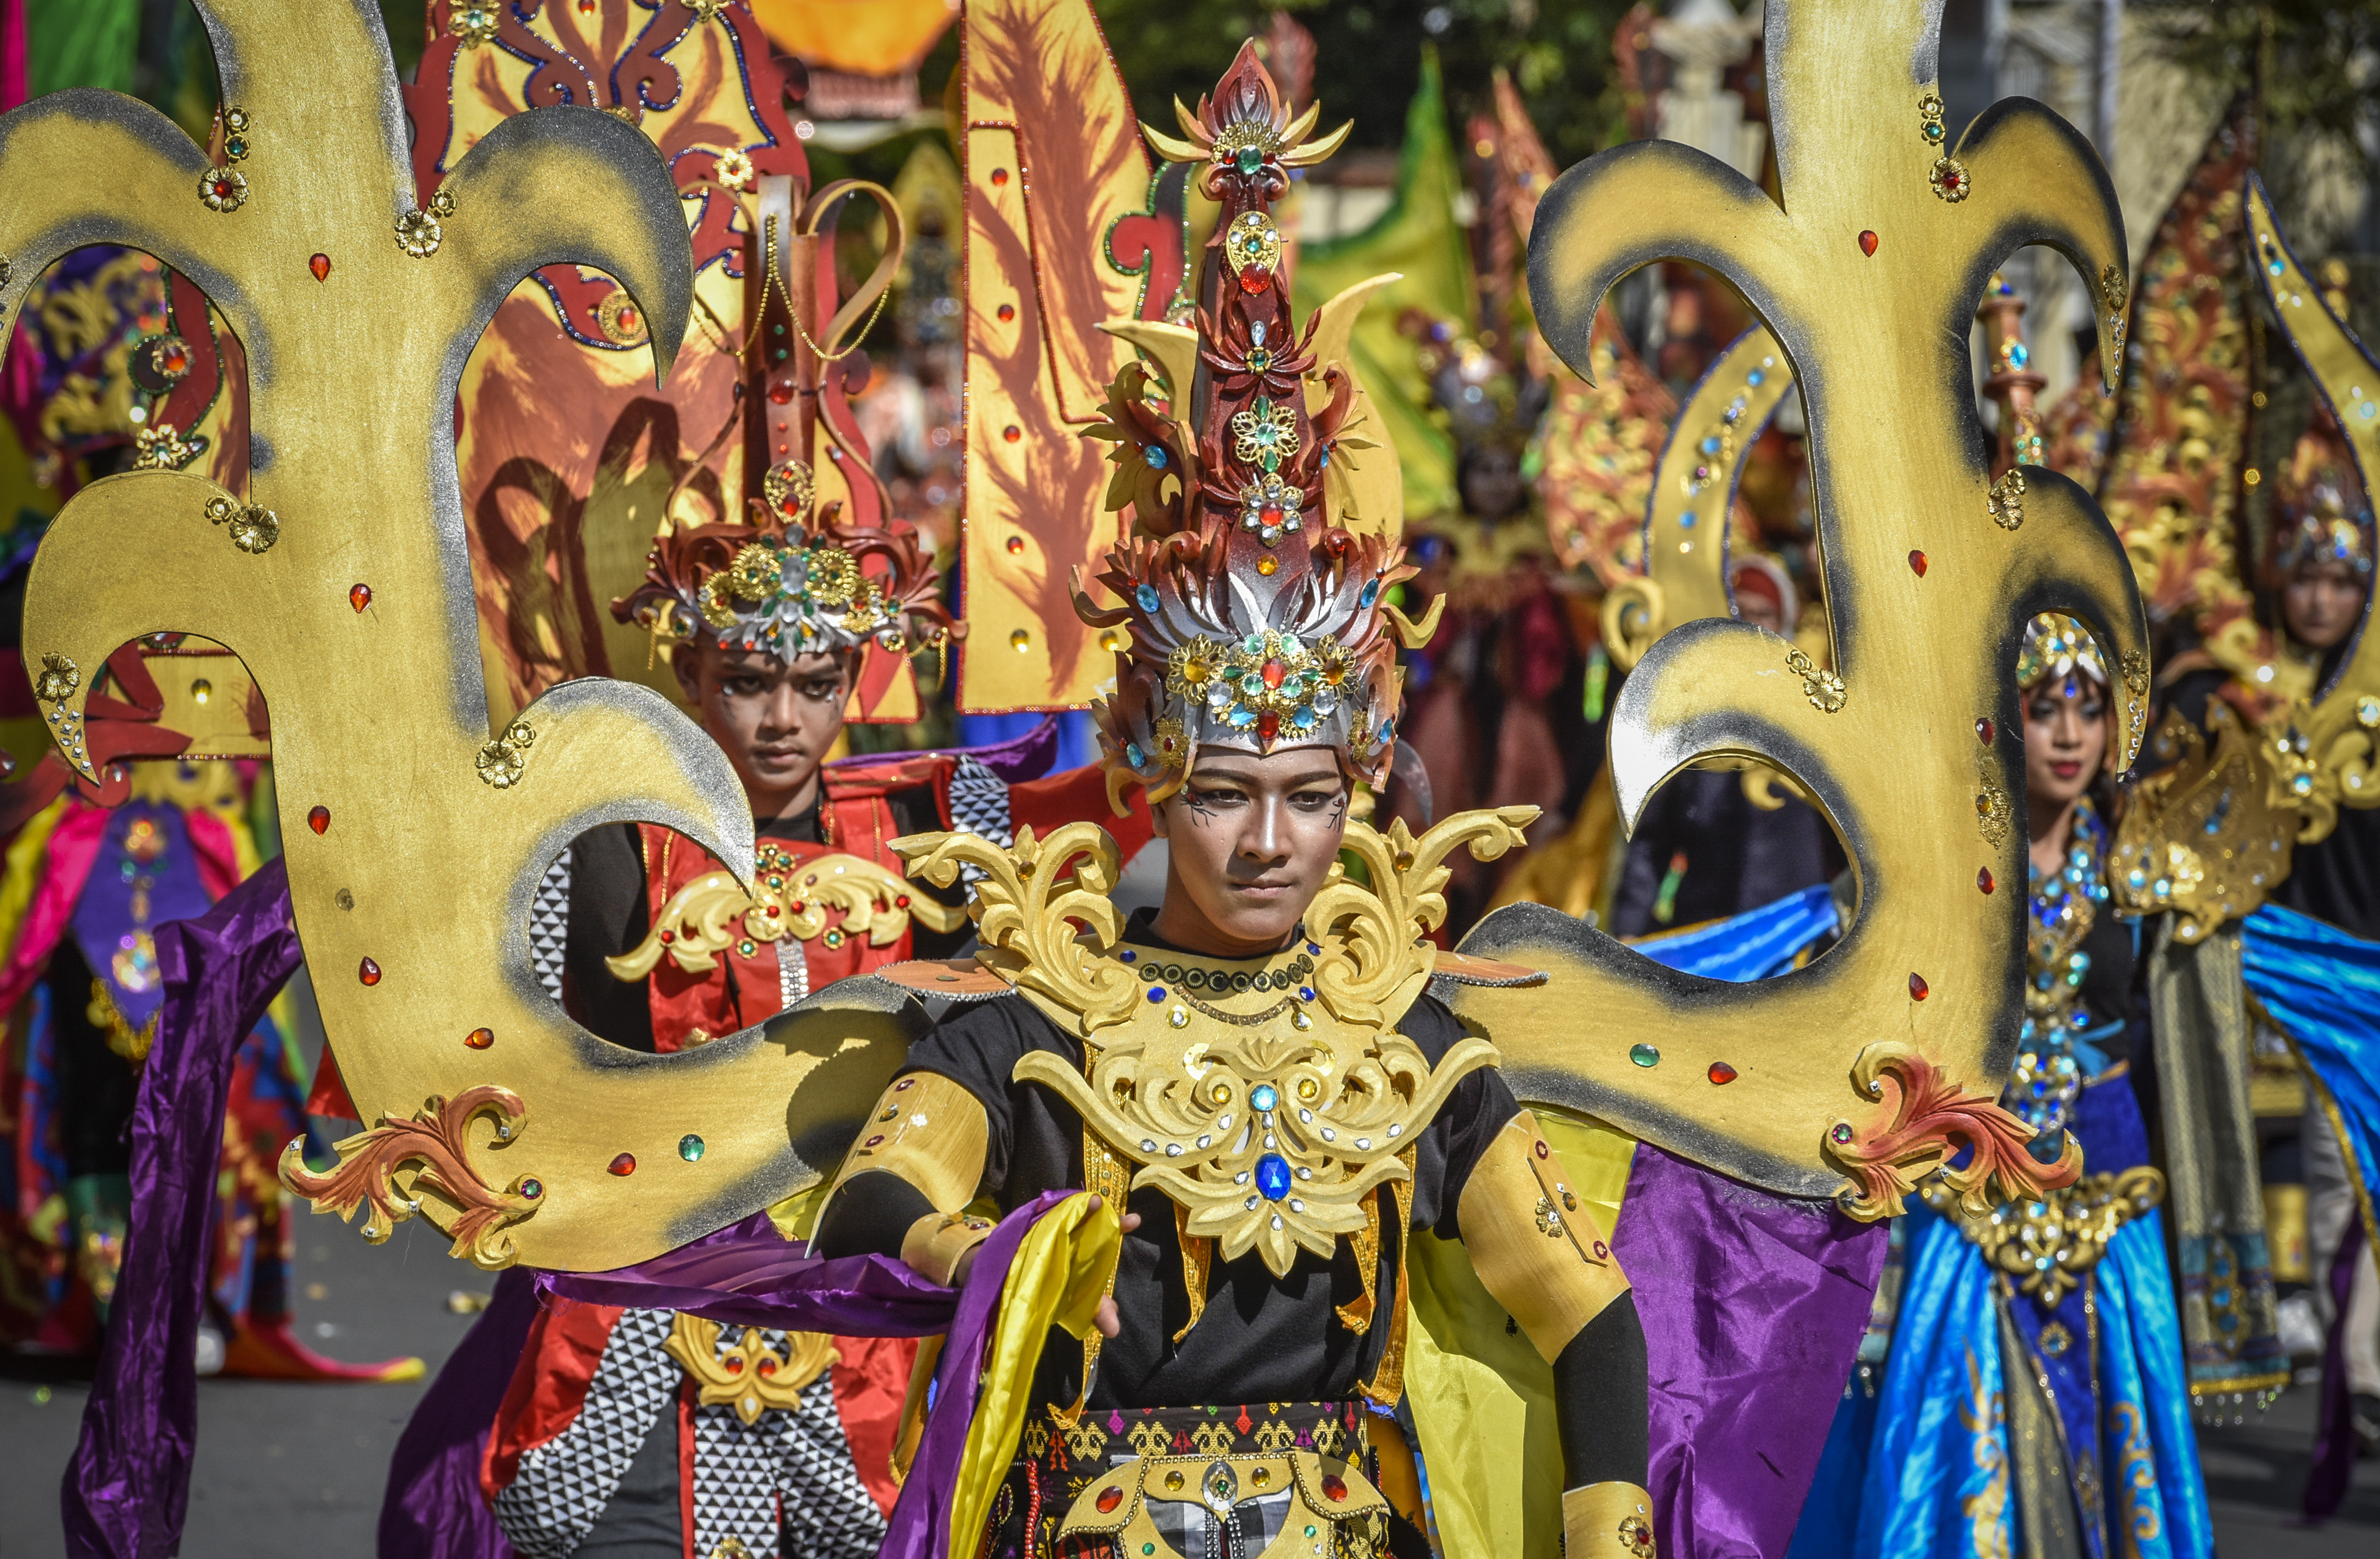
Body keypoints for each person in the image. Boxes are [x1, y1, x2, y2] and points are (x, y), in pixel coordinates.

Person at [808, 46, 1656, 1559]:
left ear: (1359, 792)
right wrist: (1001, 1254)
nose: (1269, 842)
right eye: (1222, 795)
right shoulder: (1031, 1033)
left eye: (1308, 794)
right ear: (1144, 775)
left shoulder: (1413, 1053)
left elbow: (1585, 1312)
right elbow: (867, 1208)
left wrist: (1609, 1534)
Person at [471, 500, 984, 1559]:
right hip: (652, 1306)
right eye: (748, 682)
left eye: (816, 684)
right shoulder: (615, 844)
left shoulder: (934, 830)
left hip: (864, 1300)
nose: (782, 719)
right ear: (693, 680)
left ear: (856, 684)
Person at [1791, 615, 2210, 1558]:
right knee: (1956, 1451)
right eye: (2046, 707)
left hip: (2110, 1183)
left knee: (2125, 1440)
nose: (2070, 734)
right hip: (1972, 1183)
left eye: (2090, 710)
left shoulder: (2146, 869)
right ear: (2006, 721)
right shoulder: (1944, 872)